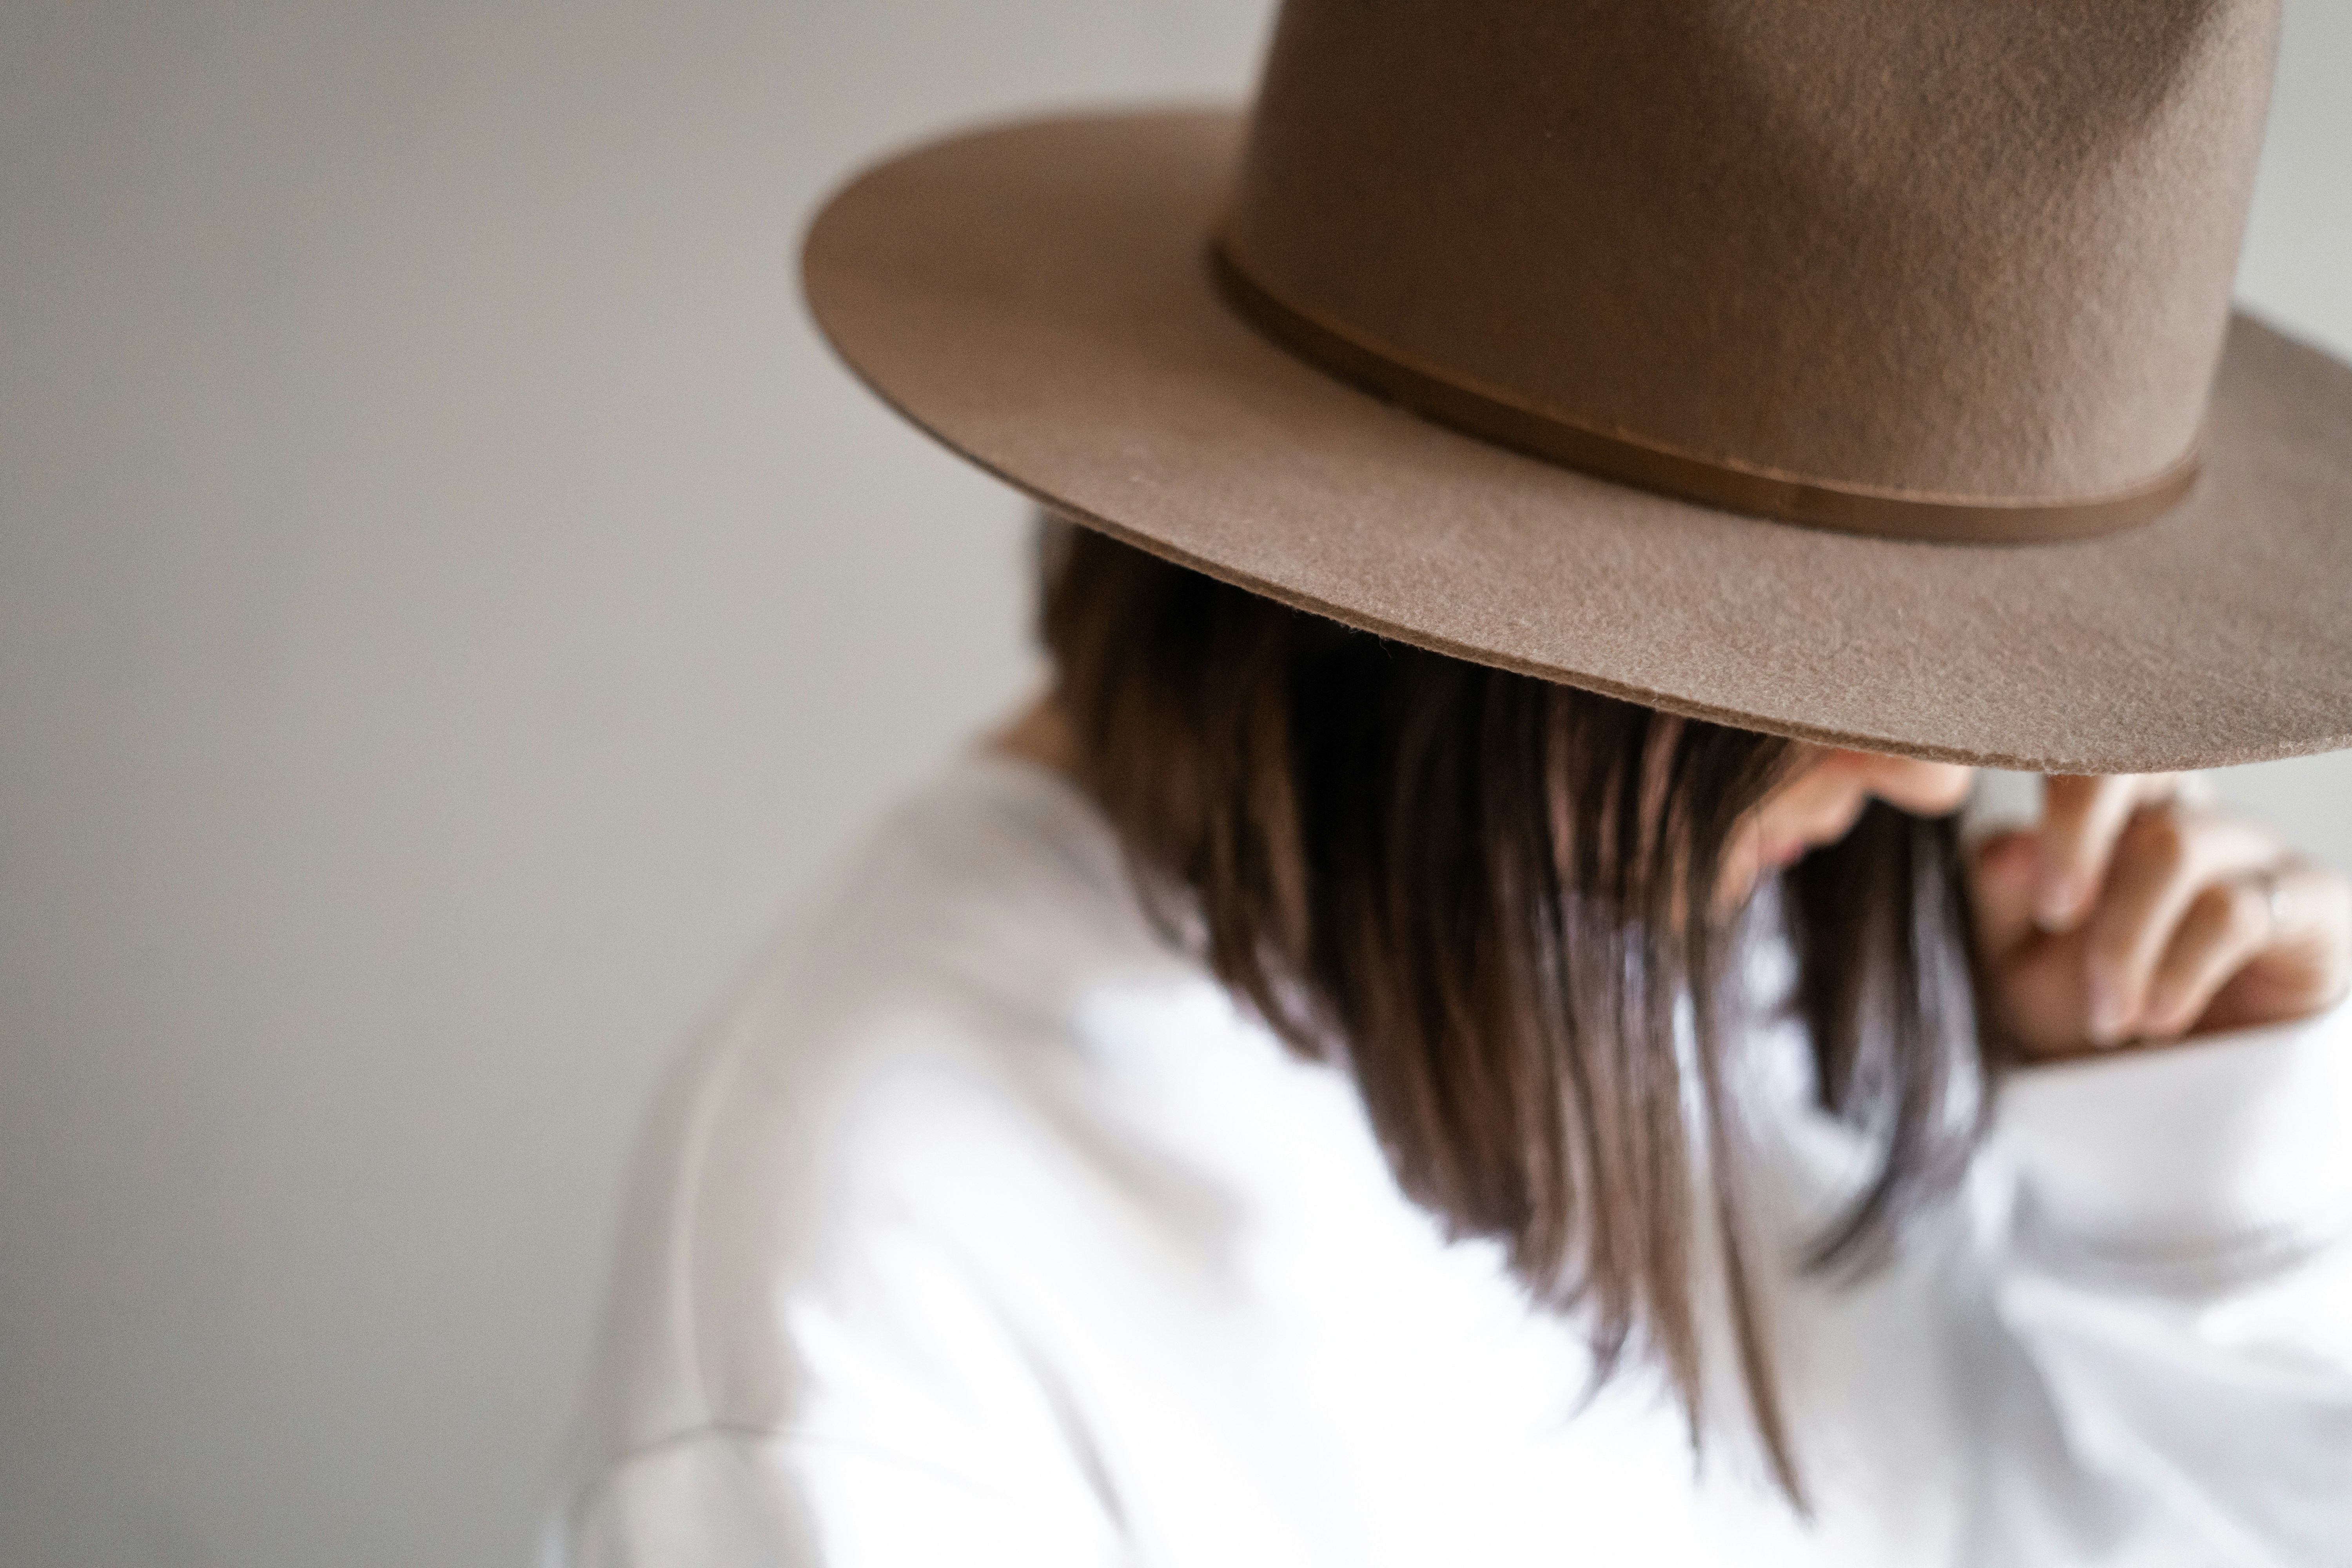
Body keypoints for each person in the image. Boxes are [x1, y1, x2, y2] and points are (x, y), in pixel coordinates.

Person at [549, 3, 2352, 1562]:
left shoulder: (1882, 967)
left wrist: (2214, 1197)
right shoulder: (894, 1275)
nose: (1939, 774)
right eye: (1811, 644)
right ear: (1402, 582)